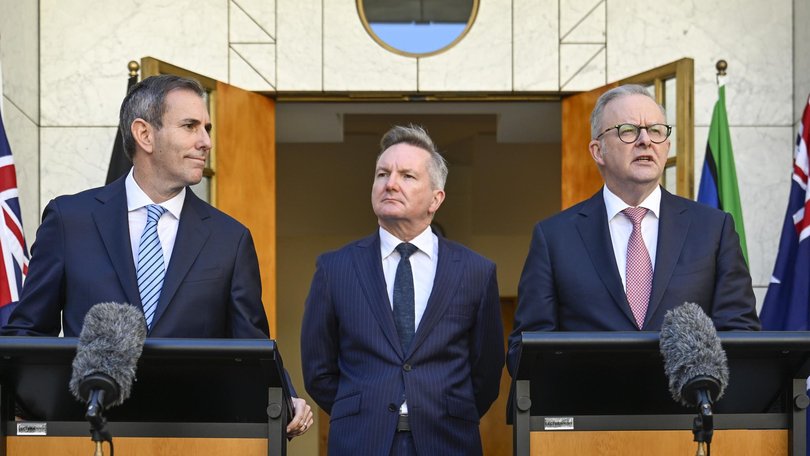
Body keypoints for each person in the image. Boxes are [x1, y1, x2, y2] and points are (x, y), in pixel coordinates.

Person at [1, 74, 313, 437]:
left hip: (194, 439)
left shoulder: (231, 239)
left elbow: (251, 348)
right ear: (144, 134)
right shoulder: (70, 221)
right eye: (190, 126)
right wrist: (24, 407)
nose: (206, 142)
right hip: (87, 436)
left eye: (206, 128)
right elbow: (26, 333)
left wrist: (287, 400)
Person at [508, 84, 760, 372]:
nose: (645, 141)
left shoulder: (714, 229)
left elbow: (741, 336)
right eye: (628, 130)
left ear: (666, 146)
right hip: (593, 411)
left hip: (687, 412)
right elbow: (528, 348)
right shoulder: (554, 238)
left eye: (655, 130)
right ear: (597, 150)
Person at [301, 125, 504, 455]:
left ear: (436, 198)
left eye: (407, 176)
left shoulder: (476, 272)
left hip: (448, 441)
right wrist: (363, 412)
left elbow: (486, 371)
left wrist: (446, 413)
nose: (390, 183)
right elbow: (318, 370)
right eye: (382, 174)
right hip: (359, 442)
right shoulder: (334, 268)